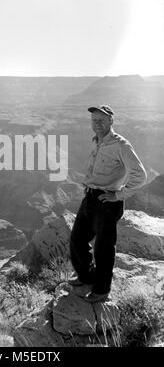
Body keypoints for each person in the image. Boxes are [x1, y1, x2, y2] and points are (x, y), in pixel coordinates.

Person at [69, 105, 147, 302]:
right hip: (90, 198)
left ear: (112, 121)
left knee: (103, 249)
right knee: (77, 239)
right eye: (94, 120)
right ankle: (87, 277)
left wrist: (119, 194)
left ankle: (102, 290)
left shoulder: (121, 145)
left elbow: (140, 175)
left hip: (107, 202)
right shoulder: (97, 141)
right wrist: (88, 183)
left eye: (102, 120)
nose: (97, 124)